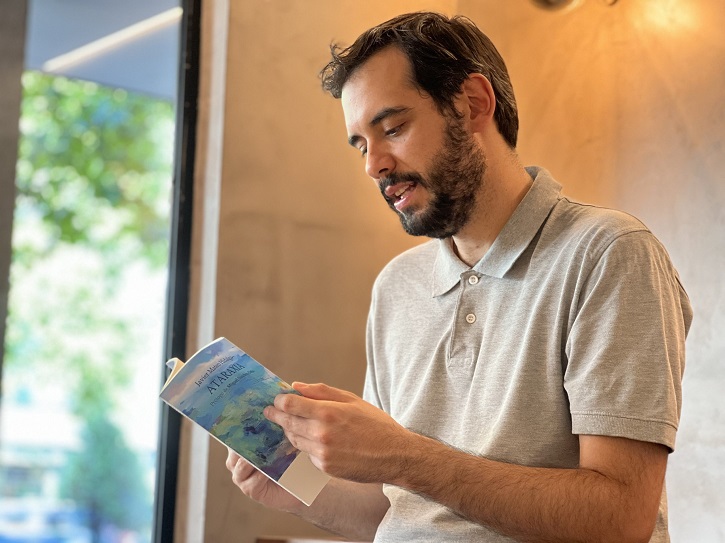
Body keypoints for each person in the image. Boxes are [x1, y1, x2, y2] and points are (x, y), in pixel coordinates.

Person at [226, 11, 692, 543]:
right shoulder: (397, 286)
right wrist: (301, 492)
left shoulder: (608, 254)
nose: (373, 165)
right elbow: (405, 510)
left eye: (393, 128)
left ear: (473, 103)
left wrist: (402, 456)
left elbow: (620, 520)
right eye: (360, 144)